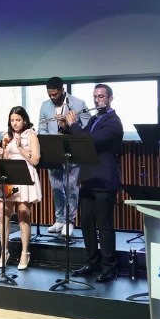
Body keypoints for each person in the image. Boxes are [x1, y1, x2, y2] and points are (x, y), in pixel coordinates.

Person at [63, 84, 123, 283]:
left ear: (110, 99)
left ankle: (109, 267)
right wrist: (66, 128)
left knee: (104, 226)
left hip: (104, 180)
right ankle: (92, 262)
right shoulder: (96, 119)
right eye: (95, 97)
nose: (98, 100)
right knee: (87, 223)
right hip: (88, 178)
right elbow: (78, 140)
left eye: (101, 97)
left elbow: (88, 142)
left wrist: (73, 125)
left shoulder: (113, 123)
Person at [38, 77, 91, 237]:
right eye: (49, 94)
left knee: (71, 188)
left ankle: (69, 221)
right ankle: (60, 219)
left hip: (72, 152)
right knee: (56, 187)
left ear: (62, 90)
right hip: (54, 153)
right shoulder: (45, 106)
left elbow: (87, 129)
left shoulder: (79, 104)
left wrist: (68, 125)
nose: (52, 97)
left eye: (55, 94)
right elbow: (42, 128)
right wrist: (49, 147)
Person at [0, 106, 42, 270]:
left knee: (23, 215)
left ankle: (24, 252)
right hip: (9, 176)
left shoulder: (31, 135)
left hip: (24, 174)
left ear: (25, 120)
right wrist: (1, 153)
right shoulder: (6, 136)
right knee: (3, 214)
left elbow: (35, 160)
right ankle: (4, 251)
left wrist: (21, 147)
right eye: (12, 120)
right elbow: (5, 159)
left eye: (18, 120)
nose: (15, 123)